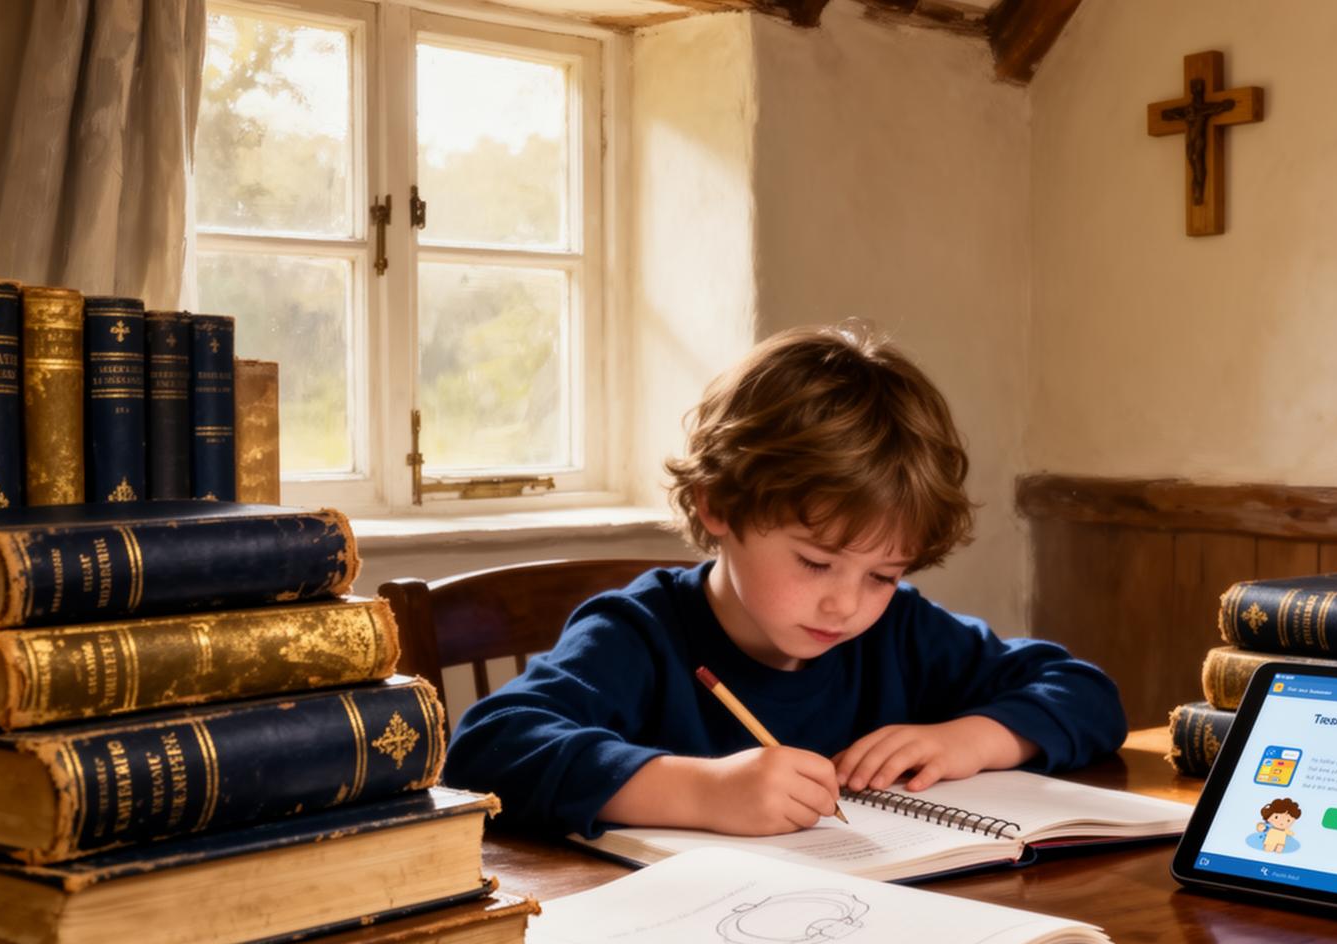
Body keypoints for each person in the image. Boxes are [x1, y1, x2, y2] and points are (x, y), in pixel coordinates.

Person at [441, 323, 1126, 838]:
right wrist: (700, 792)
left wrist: (967, 739)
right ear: (719, 505)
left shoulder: (900, 631)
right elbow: (486, 750)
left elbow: (1088, 696)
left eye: (883, 574)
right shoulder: (638, 635)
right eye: (816, 562)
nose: (846, 603)